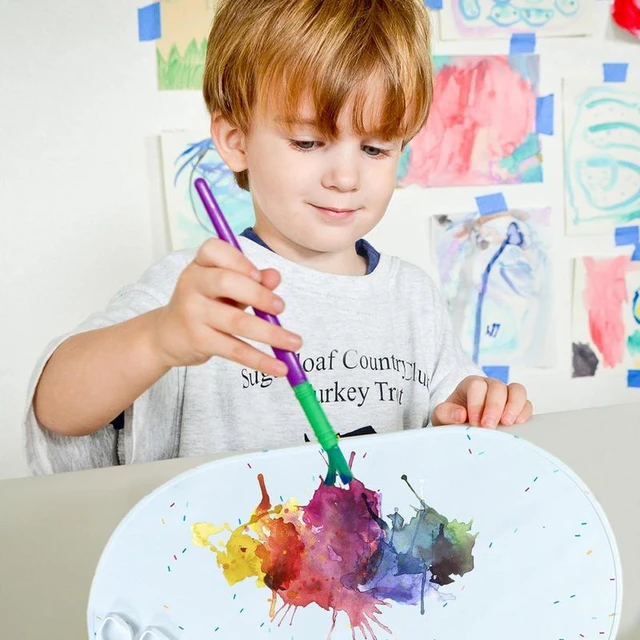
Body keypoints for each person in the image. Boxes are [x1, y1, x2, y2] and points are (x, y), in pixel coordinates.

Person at [25, 0, 532, 475]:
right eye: (309, 142)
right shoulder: (200, 289)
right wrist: (159, 338)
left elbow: (447, 416)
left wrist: (473, 404)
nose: (346, 176)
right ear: (236, 141)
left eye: (376, 149)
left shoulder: (415, 298)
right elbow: (56, 410)